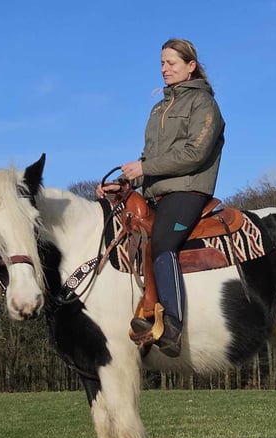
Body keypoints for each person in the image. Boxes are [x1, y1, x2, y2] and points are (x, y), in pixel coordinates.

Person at [98, 38, 225, 357]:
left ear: (190, 66)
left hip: (188, 189)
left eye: (171, 63)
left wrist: (143, 166)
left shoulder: (204, 105)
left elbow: (195, 153)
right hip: (156, 192)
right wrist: (125, 183)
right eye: (162, 63)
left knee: (162, 242)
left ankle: (171, 326)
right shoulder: (158, 109)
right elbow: (148, 158)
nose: (164, 69)